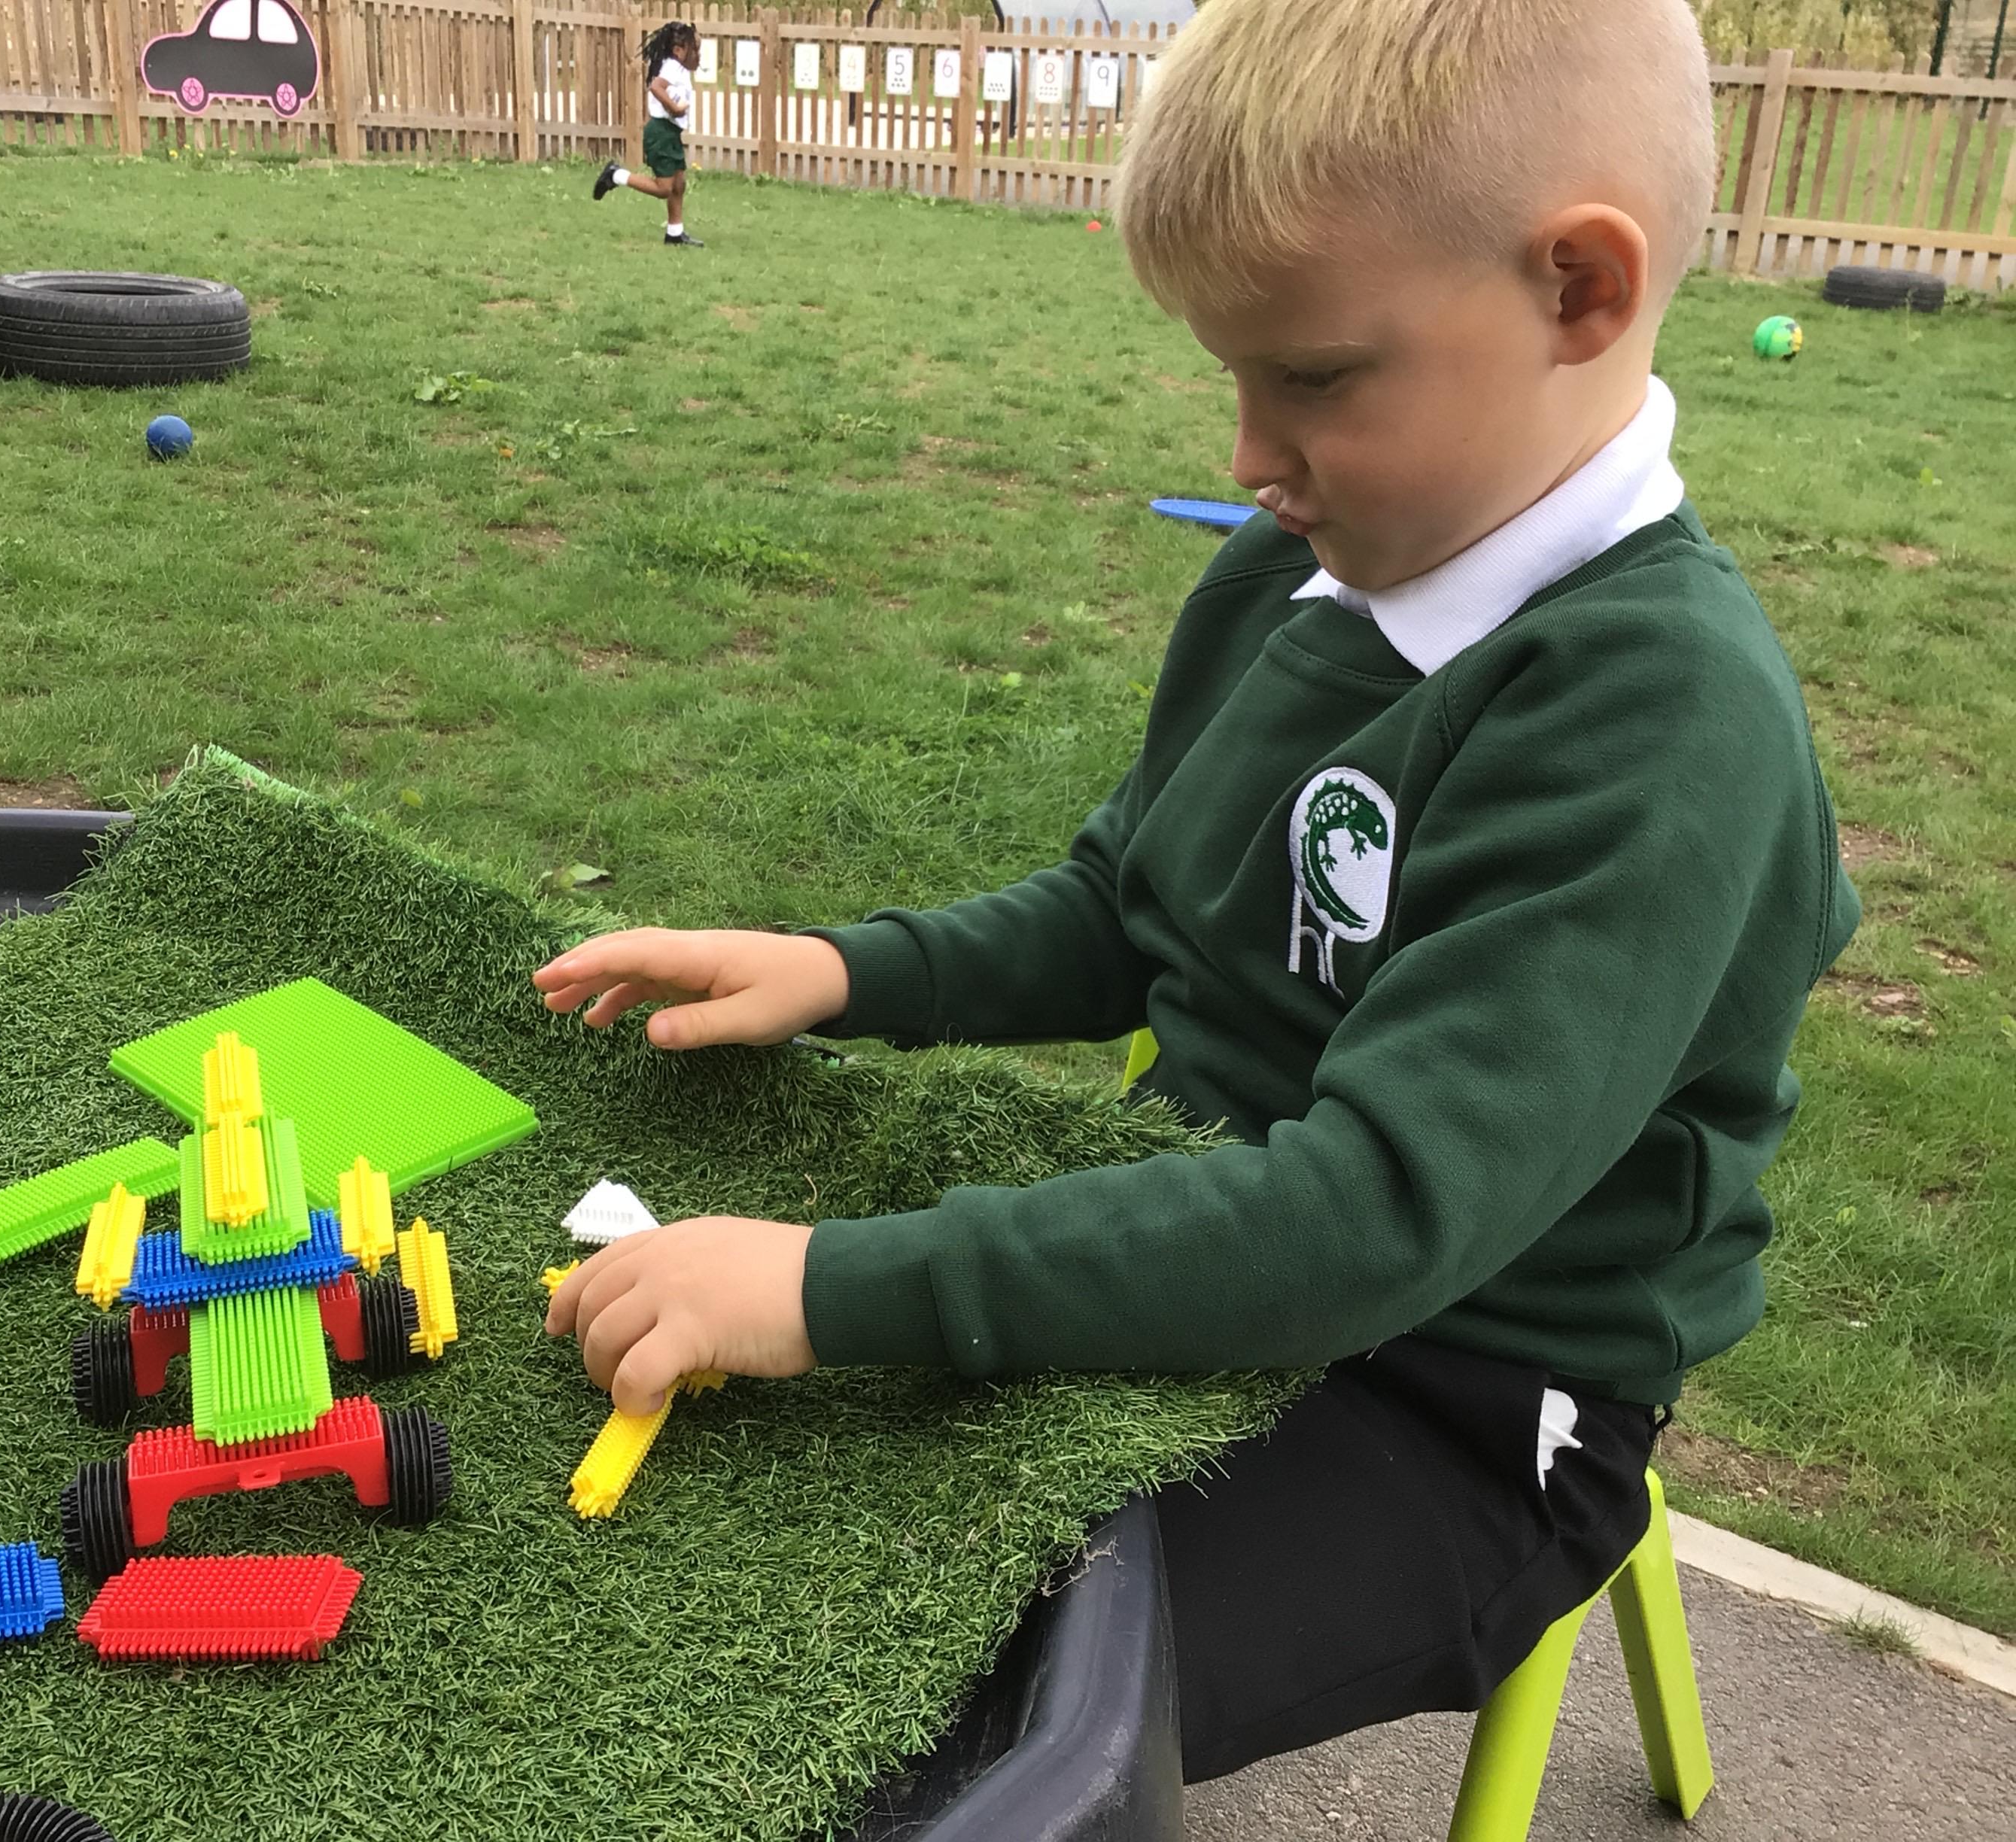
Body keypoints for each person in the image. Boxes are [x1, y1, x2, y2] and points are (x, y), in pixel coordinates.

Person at [537, 0, 1859, 1781]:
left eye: (1311, 377)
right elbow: (1130, 906)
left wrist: (826, 1287)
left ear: (1579, 292)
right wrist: (843, 970)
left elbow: (1371, 1217)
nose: (1247, 455)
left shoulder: (1662, 714)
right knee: (727, 1563)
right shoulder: (1300, 567)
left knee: (922, 1721)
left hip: (1456, 1400)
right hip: (1203, 1243)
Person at [594, 22, 703, 248]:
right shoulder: (672, 67)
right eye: (695, 50)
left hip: (670, 133)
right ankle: (616, 175)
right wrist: (674, 108)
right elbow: (655, 87)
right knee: (664, 189)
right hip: (661, 132)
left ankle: (674, 233)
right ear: (678, 51)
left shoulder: (680, 69)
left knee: (679, 184)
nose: (699, 55)